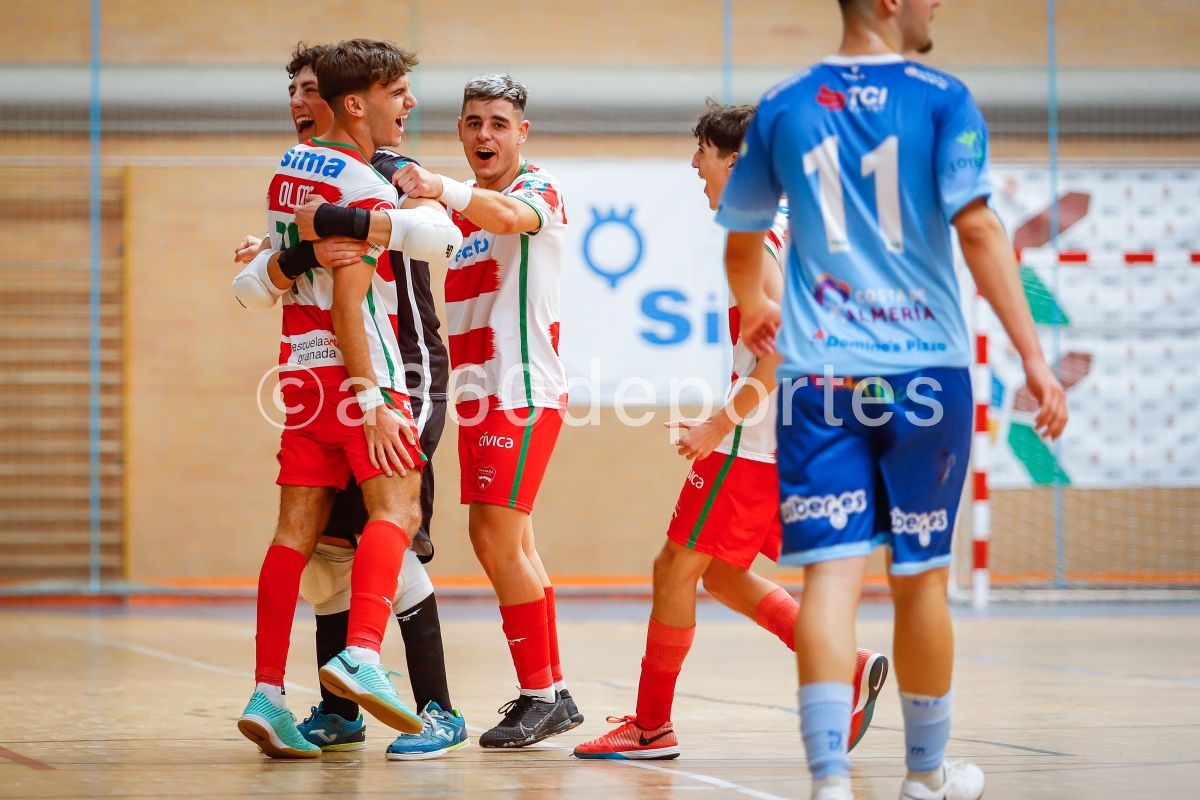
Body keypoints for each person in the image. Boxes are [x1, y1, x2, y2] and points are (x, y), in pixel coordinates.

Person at [717, 2, 1069, 799]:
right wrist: (1034, 356)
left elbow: (739, 242)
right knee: (920, 579)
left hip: (822, 379)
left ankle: (830, 781)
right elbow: (978, 232)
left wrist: (757, 304)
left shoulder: (783, 103)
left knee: (830, 581)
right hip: (925, 378)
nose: (935, 4)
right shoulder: (941, 97)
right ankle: (923, 778)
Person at [572, 101, 888, 761]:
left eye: (705, 155)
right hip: (800, 435)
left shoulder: (757, 237)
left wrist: (721, 422)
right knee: (718, 573)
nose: (696, 165)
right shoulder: (799, 227)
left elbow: (785, 347)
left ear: (737, 162)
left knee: (675, 566)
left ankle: (652, 726)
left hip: (758, 438)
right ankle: (848, 663)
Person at [231, 42, 467, 760]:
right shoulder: (362, 180)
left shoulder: (287, 170)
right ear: (356, 102)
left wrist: (306, 244)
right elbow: (363, 295)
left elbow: (260, 282)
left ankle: (269, 692)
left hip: (295, 379)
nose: (411, 103)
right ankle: (366, 654)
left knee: (296, 535)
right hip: (360, 373)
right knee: (398, 513)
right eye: (400, 90)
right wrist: (370, 395)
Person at [390, 74, 581, 748]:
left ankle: (543, 694)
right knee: (510, 541)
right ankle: (550, 691)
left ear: (521, 132)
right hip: (478, 398)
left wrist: (437, 185)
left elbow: (507, 217)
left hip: (521, 391)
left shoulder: (538, 189)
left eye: (499, 123)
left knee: (497, 538)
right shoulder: (460, 216)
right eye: (473, 123)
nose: (485, 135)